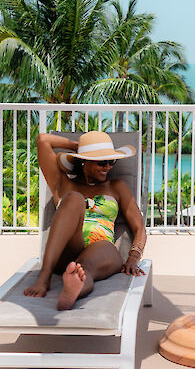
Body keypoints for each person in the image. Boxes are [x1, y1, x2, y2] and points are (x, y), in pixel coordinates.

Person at [24, 131, 146, 311]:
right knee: (73, 198)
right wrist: (78, 148)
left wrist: (134, 257)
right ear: (83, 162)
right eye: (101, 162)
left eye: (111, 161)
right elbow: (42, 139)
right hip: (66, 249)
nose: (108, 167)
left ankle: (74, 288)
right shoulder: (64, 184)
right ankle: (44, 276)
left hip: (101, 248)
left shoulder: (116, 187)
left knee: (85, 268)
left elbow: (139, 228)